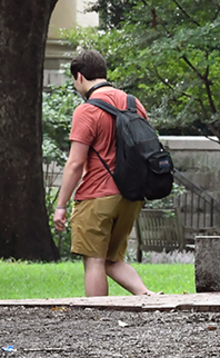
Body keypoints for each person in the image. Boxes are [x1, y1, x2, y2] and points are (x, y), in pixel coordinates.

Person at [51, 49, 157, 297]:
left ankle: (97, 314)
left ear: (79, 76)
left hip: (97, 196)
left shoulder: (87, 110)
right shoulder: (133, 104)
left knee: (94, 261)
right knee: (112, 259)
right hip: (131, 195)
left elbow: (75, 163)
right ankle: (146, 295)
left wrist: (61, 205)